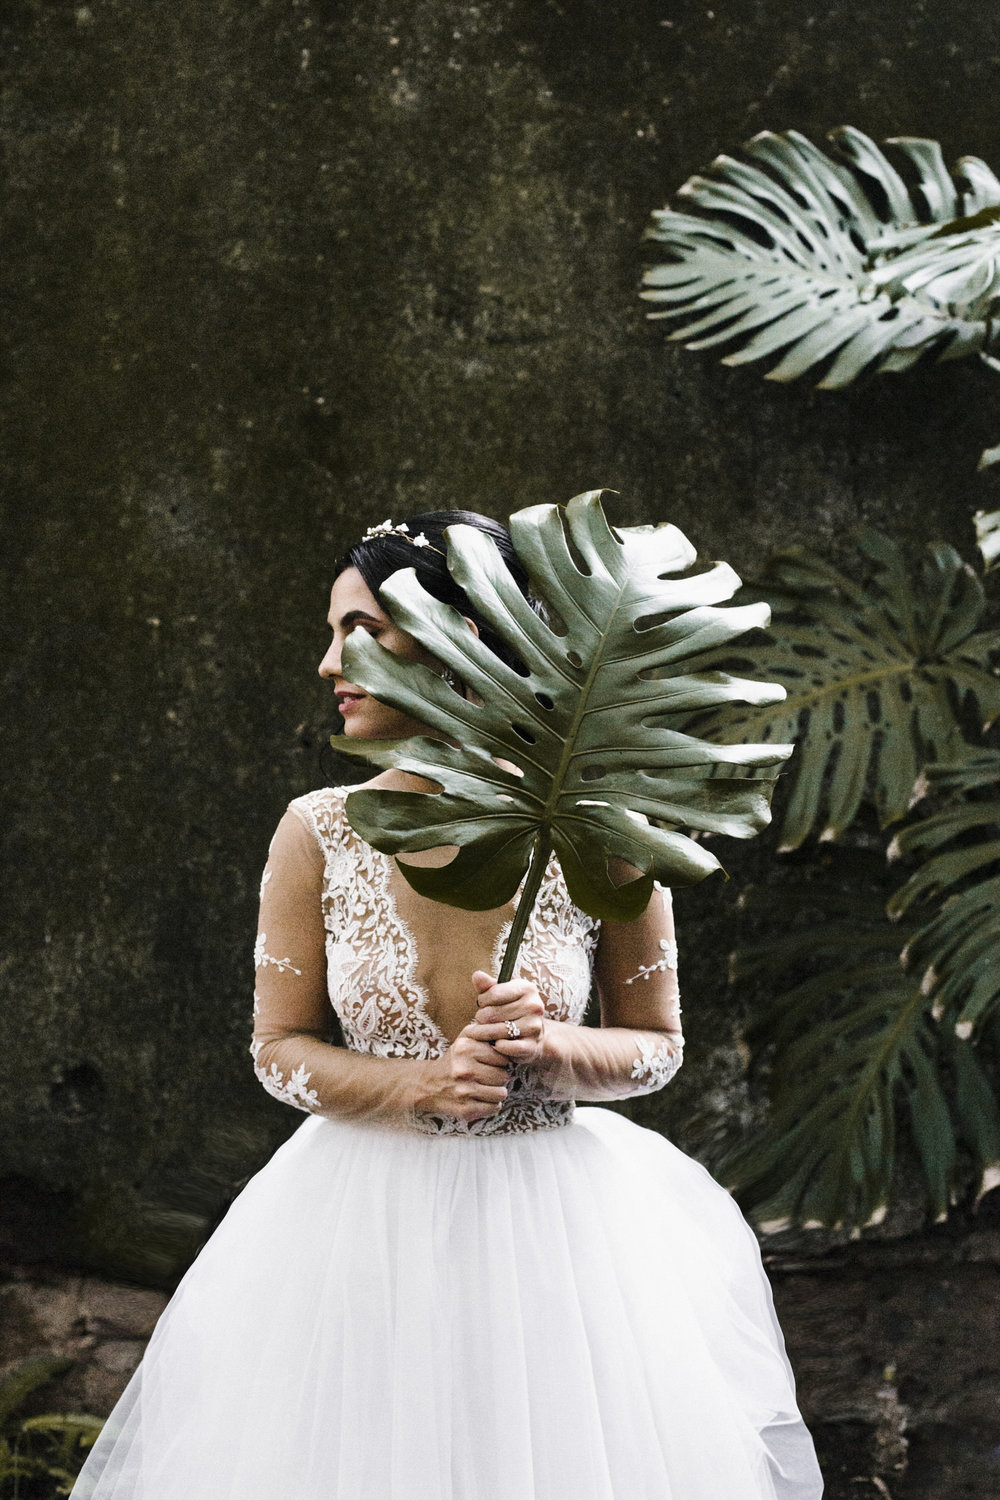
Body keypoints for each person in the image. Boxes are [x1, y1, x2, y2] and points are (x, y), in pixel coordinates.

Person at [73, 510, 823, 1499]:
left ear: (458, 641)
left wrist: (552, 1052)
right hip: (355, 1236)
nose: (327, 664)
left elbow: (657, 1046)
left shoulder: (599, 828)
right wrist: (423, 1083)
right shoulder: (318, 832)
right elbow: (277, 1045)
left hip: (563, 1242)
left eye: (360, 634)